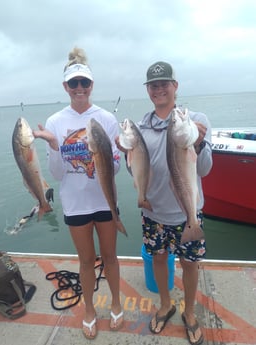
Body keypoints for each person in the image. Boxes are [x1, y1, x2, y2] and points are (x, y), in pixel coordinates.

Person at [117, 61, 212, 345]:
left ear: (175, 86)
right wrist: (126, 154)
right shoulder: (142, 127)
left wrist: (199, 144)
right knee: (159, 258)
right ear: (148, 91)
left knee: (190, 264)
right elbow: (135, 173)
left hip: (188, 213)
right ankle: (165, 304)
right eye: (153, 86)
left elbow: (205, 169)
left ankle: (191, 311)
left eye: (164, 84)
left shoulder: (194, 120)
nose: (159, 90)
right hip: (154, 212)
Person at [33, 47, 123, 339]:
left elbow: (116, 168)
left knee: (110, 257)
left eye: (85, 83)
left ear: (92, 85)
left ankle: (117, 303)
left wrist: (118, 154)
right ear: (66, 87)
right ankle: (89, 310)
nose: (80, 88)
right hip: (75, 205)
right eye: (74, 84)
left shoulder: (106, 119)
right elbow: (57, 174)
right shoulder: (57, 122)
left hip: (105, 201)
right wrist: (53, 146)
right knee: (86, 261)